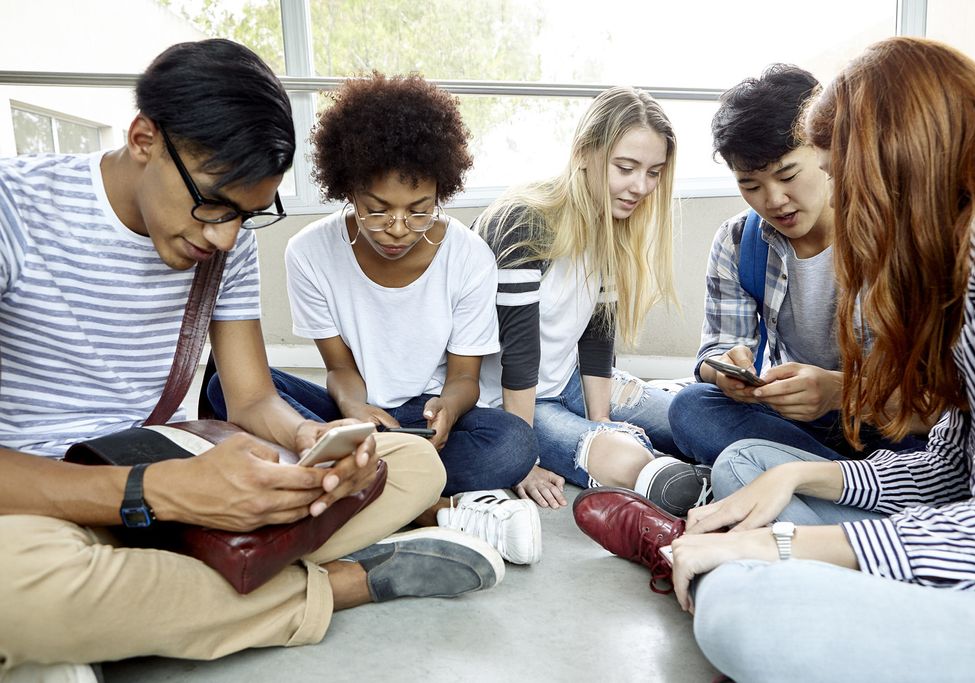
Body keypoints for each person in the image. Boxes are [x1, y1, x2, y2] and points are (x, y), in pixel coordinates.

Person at [0, 40, 502, 681]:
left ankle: (117, 614)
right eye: (212, 204)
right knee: (14, 586)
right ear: (144, 137)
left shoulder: (226, 242)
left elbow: (252, 401)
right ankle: (333, 586)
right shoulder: (14, 211)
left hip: (182, 477)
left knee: (410, 463)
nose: (225, 238)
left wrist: (309, 437)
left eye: (248, 216)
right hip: (49, 503)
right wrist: (159, 492)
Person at [576, 38, 975, 682]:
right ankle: (749, 564)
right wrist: (796, 481)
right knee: (747, 468)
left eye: (839, 173)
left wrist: (778, 544)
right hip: (947, 508)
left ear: (904, 157)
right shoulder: (965, 235)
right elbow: (950, 471)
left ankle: (723, 564)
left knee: (741, 611)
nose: (849, 199)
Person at [208, 73, 541, 565]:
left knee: (513, 444)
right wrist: (353, 411)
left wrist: (447, 409)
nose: (398, 228)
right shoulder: (310, 253)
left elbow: (465, 377)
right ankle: (429, 506)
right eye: (377, 209)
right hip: (349, 413)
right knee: (222, 388)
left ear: (440, 194)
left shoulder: (469, 256)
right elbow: (340, 369)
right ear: (349, 189)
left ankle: (348, 486)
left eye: (419, 210)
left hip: (423, 418)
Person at [669, 64, 927, 466]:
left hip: (890, 421)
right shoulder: (739, 241)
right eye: (750, 186)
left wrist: (839, 391)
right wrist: (725, 373)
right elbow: (716, 349)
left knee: (940, 450)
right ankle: (849, 485)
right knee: (692, 407)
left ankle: (798, 480)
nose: (773, 200)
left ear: (828, 151)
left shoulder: (899, 234)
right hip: (798, 421)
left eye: (788, 175)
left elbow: (938, 402)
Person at [475, 86, 711, 516]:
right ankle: (722, 499)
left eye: (654, 172)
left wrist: (600, 418)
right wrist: (518, 455)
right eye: (626, 167)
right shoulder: (524, 219)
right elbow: (520, 353)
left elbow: (597, 340)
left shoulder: (613, 223)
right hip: (506, 400)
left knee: (696, 421)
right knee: (635, 463)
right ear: (584, 151)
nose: (641, 186)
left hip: (570, 378)